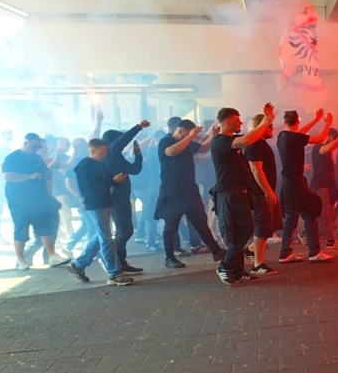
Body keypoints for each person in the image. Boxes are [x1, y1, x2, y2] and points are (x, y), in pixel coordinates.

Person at [66, 129, 148, 285]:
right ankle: (114, 273)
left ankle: (79, 264)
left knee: (101, 235)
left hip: (104, 201)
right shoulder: (85, 165)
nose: (105, 155)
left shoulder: (98, 164)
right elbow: (92, 186)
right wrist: (112, 181)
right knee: (106, 238)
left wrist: (113, 181)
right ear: (93, 151)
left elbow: (104, 182)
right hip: (97, 203)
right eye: (103, 152)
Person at [212, 104, 276, 285]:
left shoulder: (232, 139)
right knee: (240, 231)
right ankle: (225, 266)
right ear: (227, 122)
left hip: (239, 194)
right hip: (229, 194)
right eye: (237, 120)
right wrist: (266, 120)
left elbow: (251, 137)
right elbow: (246, 140)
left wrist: (266, 121)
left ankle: (237, 271)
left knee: (244, 229)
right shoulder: (221, 141)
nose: (240, 122)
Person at [154, 120, 224, 268]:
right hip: (172, 191)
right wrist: (190, 137)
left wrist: (213, 135)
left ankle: (216, 251)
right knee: (171, 226)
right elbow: (171, 152)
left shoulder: (186, 142)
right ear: (181, 131)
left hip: (189, 189)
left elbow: (203, 148)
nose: (192, 138)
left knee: (200, 221)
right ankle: (169, 257)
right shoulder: (166, 141)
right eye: (190, 134)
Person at [2, 133, 71, 270]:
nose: (36, 149)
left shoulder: (36, 158)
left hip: (38, 198)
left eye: (38, 147)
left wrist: (46, 174)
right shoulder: (12, 157)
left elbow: (46, 171)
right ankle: (20, 259)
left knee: (44, 226)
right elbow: (7, 176)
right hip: (19, 200)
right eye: (35, 146)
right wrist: (29, 176)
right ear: (26, 143)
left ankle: (52, 255)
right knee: (21, 228)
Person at [276, 109, 335, 264]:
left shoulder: (282, 136)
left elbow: (299, 133)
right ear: (298, 121)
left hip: (287, 182)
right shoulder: (294, 138)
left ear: (285, 122)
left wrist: (315, 120)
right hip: (296, 182)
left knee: (291, 217)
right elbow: (321, 138)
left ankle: (284, 253)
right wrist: (328, 123)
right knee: (310, 215)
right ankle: (314, 252)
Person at [101, 123, 148, 274]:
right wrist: (138, 127)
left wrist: (138, 155)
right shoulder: (110, 153)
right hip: (115, 197)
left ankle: (120, 261)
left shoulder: (117, 156)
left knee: (126, 230)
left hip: (123, 196)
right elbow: (122, 140)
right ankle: (113, 260)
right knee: (124, 230)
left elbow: (134, 170)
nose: (123, 144)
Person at [245, 113, 282, 276]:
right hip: (260, 193)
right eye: (270, 126)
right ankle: (258, 264)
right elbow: (255, 169)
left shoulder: (260, 144)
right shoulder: (254, 145)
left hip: (265, 192)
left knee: (269, 226)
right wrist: (268, 191)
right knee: (263, 226)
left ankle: (251, 251)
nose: (272, 129)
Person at [310, 126, 338, 248]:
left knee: (329, 214)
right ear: (330, 137)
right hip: (321, 185)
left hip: (330, 185)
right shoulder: (318, 148)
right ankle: (327, 240)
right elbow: (328, 147)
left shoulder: (329, 150)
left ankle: (330, 240)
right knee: (325, 215)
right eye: (334, 139)